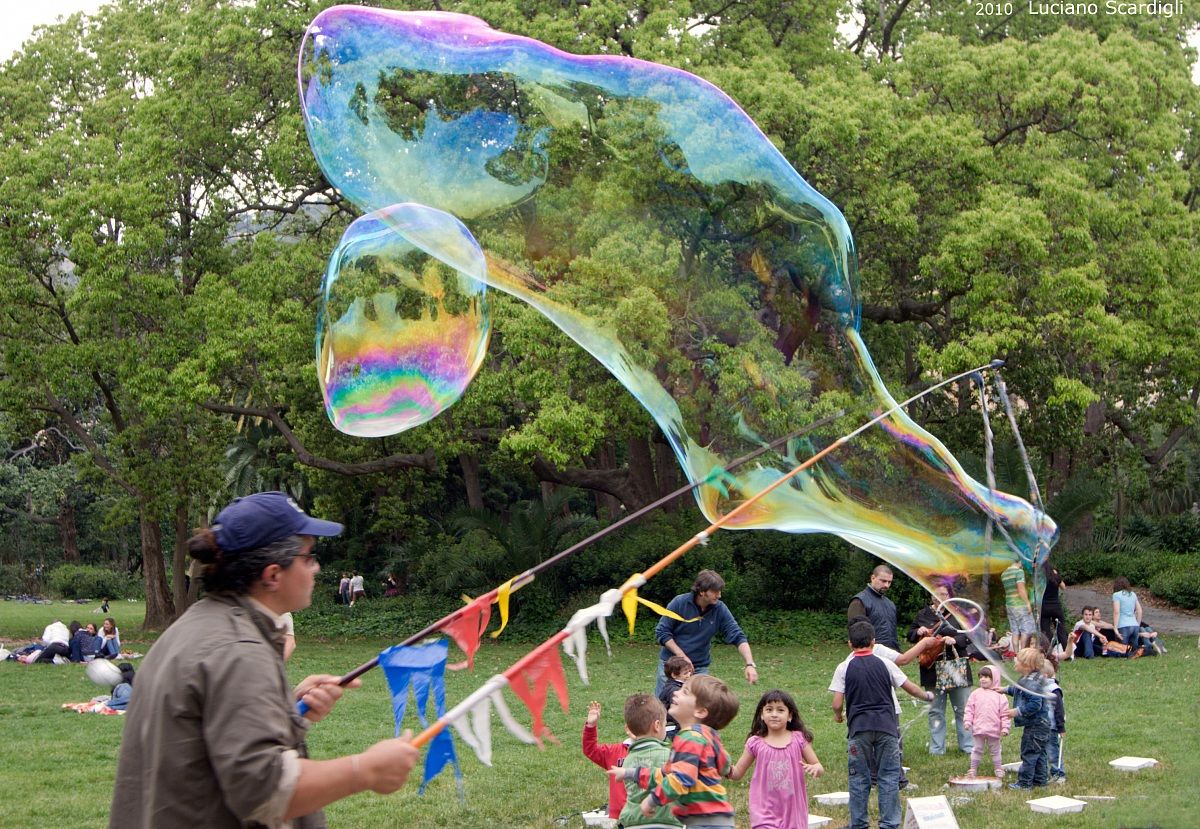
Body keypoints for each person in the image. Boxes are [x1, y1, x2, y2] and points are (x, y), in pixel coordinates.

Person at [109, 491, 418, 829]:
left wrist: (284, 709)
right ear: (273, 575)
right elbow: (266, 790)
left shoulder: (195, 627)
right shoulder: (239, 650)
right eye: (308, 556)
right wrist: (367, 769)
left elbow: (208, 742)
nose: (316, 567)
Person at [831, 619, 933, 829]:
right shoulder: (886, 663)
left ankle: (858, 823)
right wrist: (926, 696)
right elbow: (910, 688)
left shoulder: (844, 666)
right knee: (888, 775)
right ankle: (889, 823)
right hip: (887, 728)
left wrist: (838, 715)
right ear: (873, 642)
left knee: (859, 777)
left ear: (850, 643)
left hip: (859, 730)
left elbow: (837, 702)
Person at [612, 674, 740, 824]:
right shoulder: (709, 737)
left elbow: (680, 779)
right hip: (715, 817)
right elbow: (724, 764)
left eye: (685, 691)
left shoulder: (690, 739)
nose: (675, 692)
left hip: (704, 819)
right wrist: (631, 773)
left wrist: (652, 800)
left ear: (700, 711)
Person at [729, 689, 823, 829]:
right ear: (762, 714)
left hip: (793, 811)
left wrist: (816, 768)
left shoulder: (798, 739)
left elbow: (818, 766)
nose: (774, 714)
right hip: (763, 811)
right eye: (769, 709)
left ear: (789, 715)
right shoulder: (755, 743)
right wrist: (722, 765)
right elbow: (737, 773)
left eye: (780, 710)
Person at [654, 570, 757, 694]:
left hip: (698, 668)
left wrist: (749, 664)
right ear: (702, 591)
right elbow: (662, 631)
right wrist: (681, 656)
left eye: (720, 591)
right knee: (664, 708)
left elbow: (737, 635)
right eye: (715, 591)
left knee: (696, 709)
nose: (719, 595)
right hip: (672, 668)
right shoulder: (680, 603)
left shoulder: (720, 609)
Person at [906, 584, 973, 756]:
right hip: (932, 668)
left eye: (945, 594)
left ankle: (968, 747)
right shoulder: (923, 614)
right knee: (935, 710)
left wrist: (955, 640)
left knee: (963, 708)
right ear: (932, 596)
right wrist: (918, 631)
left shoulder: (959, 614)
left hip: (955, 665)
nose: (941, 597)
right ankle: (937, 749)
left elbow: (970, 636)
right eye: (938, 594)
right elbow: (910, 635)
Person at [613, 695, 681, 829]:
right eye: (664, 724)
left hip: (633, 822)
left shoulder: (627, 760)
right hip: (667, 821)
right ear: (657, 726)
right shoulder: (668, 755)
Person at [1003, 646, 1053, 790]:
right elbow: (1020, 691)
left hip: (1035, 726)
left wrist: (1016, 711)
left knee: (1029, 753)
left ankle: (1025, 784)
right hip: (1042, 725)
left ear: (1026, 665)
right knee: (1040, 753)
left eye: (1017, 660)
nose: (1014, 662)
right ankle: (1040, 781)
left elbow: (1034, 705)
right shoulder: (1032, 678)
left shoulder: (1031, 684)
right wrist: (1005, 689)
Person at [582, 701, 631, 822]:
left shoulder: (657, 753)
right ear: (627, 728)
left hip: (648, 817)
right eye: (637, 725)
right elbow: (591, 750)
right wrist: (590, 726)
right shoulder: (615, 752)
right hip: (622, 816)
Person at [962, 665, 1010, 778]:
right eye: (981, 677)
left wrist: (1005, 728)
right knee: (977, 749)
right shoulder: (975, 694)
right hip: (978, 728)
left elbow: (1005, 714)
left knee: (996, 750)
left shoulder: (1000, 696)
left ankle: (998, 768)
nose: (983, 679)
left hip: (994, 729)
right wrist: (967, 721)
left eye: (987, 677)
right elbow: (969, 709)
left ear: (995, 678)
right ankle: (973, 769)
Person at [847, 564, 900, 650]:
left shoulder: (890, 604)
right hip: (870, 654)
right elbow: (855, 634)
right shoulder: (859, 601)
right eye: (883, 581)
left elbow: (893, 635)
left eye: (889, 582)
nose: (886, 585)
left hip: (891, 654)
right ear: (872, 578)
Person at [1001, 560, 1037, 651]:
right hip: (1020, 604)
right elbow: (1021, 589)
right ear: (1019, 561)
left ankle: (1016, 654)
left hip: (1009, 604)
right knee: (1026, 630)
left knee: (1015, 631)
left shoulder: (1004, 574)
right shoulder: (1019, 572)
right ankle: (1023, 652)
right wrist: (1027, 603)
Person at [1041, 660, 1066, 783]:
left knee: (1052, 751)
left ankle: (1059, 773)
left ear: (1044, 675)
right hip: (1040, 725)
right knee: (1041, 751)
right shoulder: (1038, 687)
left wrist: (1061, 728)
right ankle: (1043, 773)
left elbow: (1059, 710)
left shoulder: (1054, 690)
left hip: (1051, 727)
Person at [658, 655, 694, 738]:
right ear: (674, 675)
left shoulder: (677, 685)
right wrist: (683, 726)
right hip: (672, 727)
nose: (689, 675)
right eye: (685, 673)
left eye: (689, 672)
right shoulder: (674, 690)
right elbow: (676, 710)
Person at [1112, 576, 1143, 659]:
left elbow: (1116, 612)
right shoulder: (1133, 594)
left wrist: (1115, 627)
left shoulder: (1116, 595)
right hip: (1134, 624)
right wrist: (1138, 624)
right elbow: (1139, 611)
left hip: (1123, 625)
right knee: (1134, 650)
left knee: (1122, 649)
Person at [1039, 561, 1067, 650]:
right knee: (1061, 630)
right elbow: (1063, 587)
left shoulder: (1039, 577)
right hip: (1055, 606)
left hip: (1044, 607)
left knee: (1045, 631)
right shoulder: (1054, 575)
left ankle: (1048, 652)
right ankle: (1066, 651)